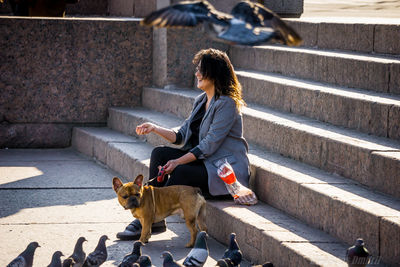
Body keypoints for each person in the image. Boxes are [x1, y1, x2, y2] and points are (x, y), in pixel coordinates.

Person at [116, 48, 251, 240]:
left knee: (180, 171)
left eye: (201, 70)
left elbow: (208, 145)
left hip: (222, 170)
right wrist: (154, 128)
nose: (196, 73)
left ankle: (148, 216)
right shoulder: (201, 100)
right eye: (197, 69)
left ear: (214, 72)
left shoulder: (227, 104)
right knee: (159, 154)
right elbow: (181, 135)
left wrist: (178, 162)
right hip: (203, 163)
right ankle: (155, 221)